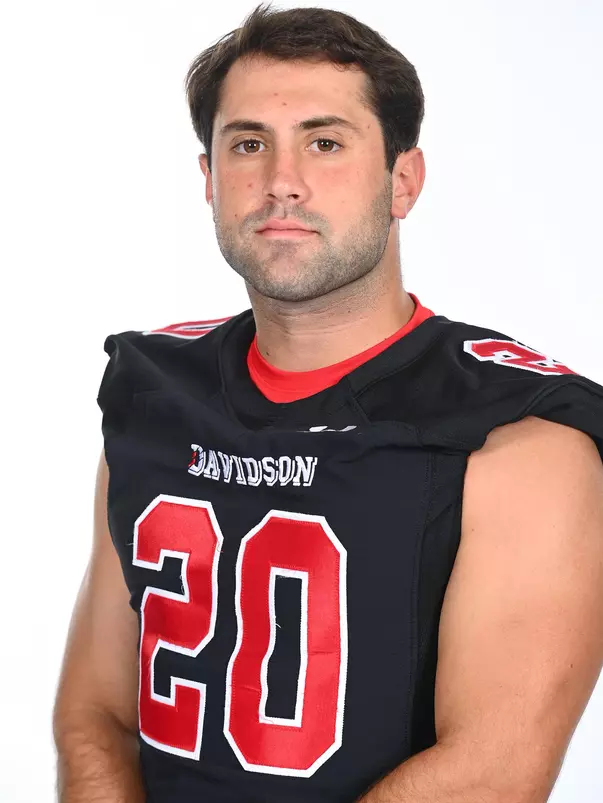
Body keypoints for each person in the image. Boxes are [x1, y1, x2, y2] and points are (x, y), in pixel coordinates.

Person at [52, 4, 603, 802]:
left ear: (402, 180)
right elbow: (94, 713)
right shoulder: (151, 392)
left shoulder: (519, 434)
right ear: (208, 179)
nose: (281, 180)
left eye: (325, 142)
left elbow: (490, 772)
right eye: (247, 144)